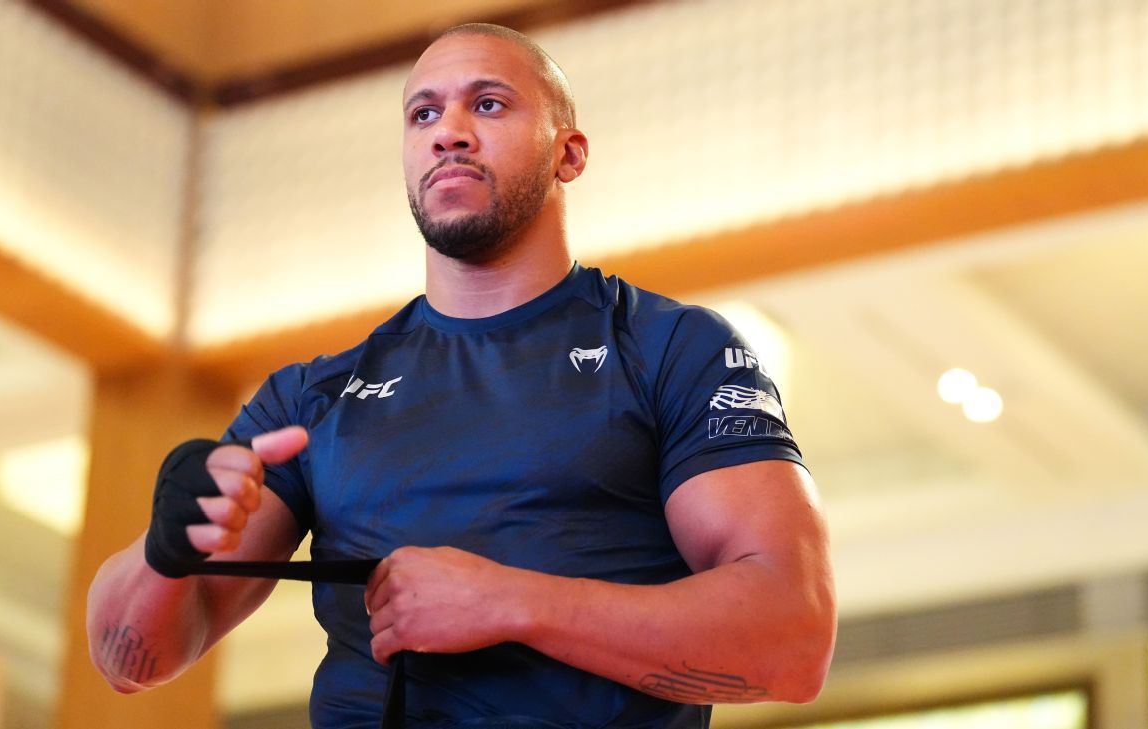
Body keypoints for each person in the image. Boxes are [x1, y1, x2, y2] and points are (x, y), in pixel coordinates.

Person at [87, 23, 836, 728]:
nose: (448, 131)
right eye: (423, 115)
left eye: (488, 104)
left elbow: (794, 639)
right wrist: (165, 550)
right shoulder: (310, 401)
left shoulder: (671, 348)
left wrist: (511, 603)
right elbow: (128, 662)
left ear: (568, 154)